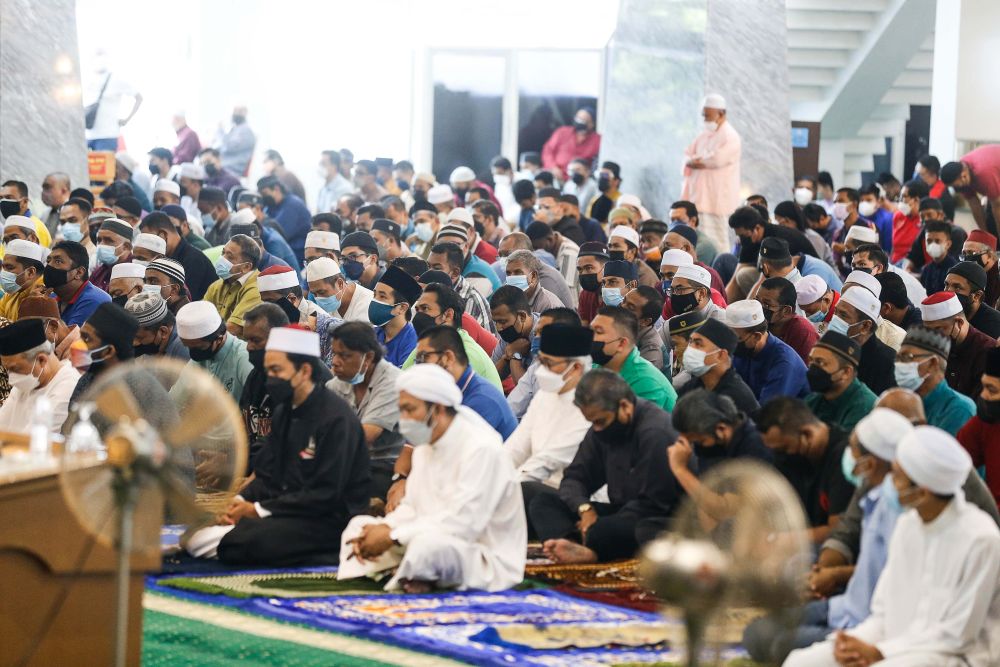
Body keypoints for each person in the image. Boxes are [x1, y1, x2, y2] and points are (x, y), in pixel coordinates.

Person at [784, 426, 1000, 667]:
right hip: (896, 645)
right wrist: (852, 643)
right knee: (801, 662)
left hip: (956, 657)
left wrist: (880, 652)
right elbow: (883, 614)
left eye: (896, 475)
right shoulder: (908, 526)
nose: (889, 482)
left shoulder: (981, 538)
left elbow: (956, 637)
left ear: (922, 491)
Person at [186, 326, 370, 566]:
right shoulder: (284, 411)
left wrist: (258, 510)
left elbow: (326, 494)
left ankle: (332, 554)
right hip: (285, 512)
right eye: (267, 371)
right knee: (197, 535)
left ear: (304, 371)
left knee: (243, 542)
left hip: (327, 520)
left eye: (276, 371)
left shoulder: (336, 419)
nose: (270, 379)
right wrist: (239, 503)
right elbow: (266, 473)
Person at [338, 363, 525, 592]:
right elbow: (412, 507)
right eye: (401, 410)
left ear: (436, 409)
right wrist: (386, 528)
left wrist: (393, 535)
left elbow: (464, 523)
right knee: (359, 527)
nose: (404, 419)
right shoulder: (427, 445)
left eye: (409, 410)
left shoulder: (480, 448)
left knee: (427, 549)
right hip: (422, 534)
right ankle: (404, 573)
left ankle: (404, 572)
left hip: (479, 553)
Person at [744, 408, 911, 664]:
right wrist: (821, 573)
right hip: (846, 605)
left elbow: (893, 578)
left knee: (777, 645)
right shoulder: (871, 488)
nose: (848, 452)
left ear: (871, 462)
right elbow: (845, 532)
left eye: (853, 448)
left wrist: (834, 575)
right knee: (757, 632)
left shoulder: (906, 510)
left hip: (871, 624)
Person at [529, 369, 680, 563]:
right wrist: (584, 509)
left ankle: (589, 545)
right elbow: (575, 477)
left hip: (659, 520)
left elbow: (653, 504)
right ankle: (572, 544)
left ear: (624, 406)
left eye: (600, 421)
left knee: (604, 531)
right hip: (621, 511)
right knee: (543, 501)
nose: (596, 429)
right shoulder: (604, 427)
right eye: (592, 423)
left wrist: (596, 525)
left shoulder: (655, 432)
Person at [507, 324, 594, 517]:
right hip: (532, 486)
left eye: (549, 364)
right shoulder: (545, 395)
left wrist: (502, 487)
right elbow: (516, 448)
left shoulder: (591, 406)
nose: (541, 370)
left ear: (576, 367)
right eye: (540, 361)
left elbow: (546, 463)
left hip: (574, 500)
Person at [756, 397, 855, 543]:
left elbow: (838, 530)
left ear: (807, 434)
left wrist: (780, 540)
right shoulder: (793, 458)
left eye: (784, 449)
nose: (781, 456)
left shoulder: (844, 458)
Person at [667, 390, 772, 524]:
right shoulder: (714, 443)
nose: (696, 447)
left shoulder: (755, 448)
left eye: (700, 441)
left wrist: (680, 470)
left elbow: (724, 511)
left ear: (721, 429)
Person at [325, 322, 403, 499]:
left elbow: (366, 435)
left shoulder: (393, 383)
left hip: (383, 466)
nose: (335, 362)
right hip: (346, 461)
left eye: (344, 356)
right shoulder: (336, 384)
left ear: (368, 358)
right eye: (335, 354)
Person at [402, 283, 503, 388]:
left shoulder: (466, 354)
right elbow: (403, 378)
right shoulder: (427, 346)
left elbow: (439, 395)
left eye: (425, 308)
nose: (419, 316)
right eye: (418, 310)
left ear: (448, 315)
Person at [680, 94, 742, 252]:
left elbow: (717, 159)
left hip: (716, 200)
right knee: (698, 240)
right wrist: (694, 160)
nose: (704, 118)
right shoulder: (703, 136)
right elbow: (687, 154)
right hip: (698, 199)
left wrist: (697, 160)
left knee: (717, 243)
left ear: (720, 114)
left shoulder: (730, 136)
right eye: (703, 115)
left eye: (707, 115)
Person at [0, 318, 80, 434]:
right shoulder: (26, 382)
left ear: (42, 360)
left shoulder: (69, 384)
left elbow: (33, 441)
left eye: (15, 369)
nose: (11, 378)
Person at [591, 306, 677, 410]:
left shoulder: (645, 382)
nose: (589, 336)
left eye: (599, 332)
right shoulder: (600, 364)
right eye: (591, 330)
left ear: (621, 343)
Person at [894, 325, 975, 435]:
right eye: (897, 358)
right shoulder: (898, 400)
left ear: (932, 364)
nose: (899, 364)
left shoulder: (959, 409)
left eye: (907, 357)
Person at [238, 303, 289, 468]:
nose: (249, 347)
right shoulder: (257, 374)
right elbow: (242, 427)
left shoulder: (299, 383)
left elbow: (283, 449)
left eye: (256, 340)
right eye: (247, 340)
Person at [727, 299, 809, 402]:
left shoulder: (784, 363)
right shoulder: (745, 350)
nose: (731, 342)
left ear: (756, 337)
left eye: (736, 338)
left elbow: (768, 412)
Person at [919, 291, 996, 401]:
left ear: (959, 322)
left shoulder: (987, 352)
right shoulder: (933, 348)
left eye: (937, 330)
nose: (932, 338)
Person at [677, 318, 759, 415]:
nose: (690, 348)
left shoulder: (738, 398)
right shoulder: (692, 386)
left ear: (721, 355)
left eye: (698, 344)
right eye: (691, 342)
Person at [176, 301, 252, 402]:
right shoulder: (198, 359)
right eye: (188, 347)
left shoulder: (244, 358)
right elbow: (176, 397)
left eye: (198, 347)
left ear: (219, 339)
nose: (193, 352)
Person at [805, 331, 877, 432]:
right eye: (811, 361)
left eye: (820, 362)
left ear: (846, 372)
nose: (812, 368)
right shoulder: (814, 399)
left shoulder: (864, 407)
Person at [830, 285, 896, 395]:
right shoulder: (833, 346)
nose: (835, 319)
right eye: (835, 312)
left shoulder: (887, 363)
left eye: (843, 315)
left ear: (865, 326)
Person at [70, 302, 140, 403]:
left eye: (86, 339)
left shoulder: (132, 395)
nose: (76, 344)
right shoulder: (90, 376)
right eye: (80, 336)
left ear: (108, 351)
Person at [138, 211, 216, 299]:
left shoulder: (193, 260)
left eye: (148, 241)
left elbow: (185, 300)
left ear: (162, 235)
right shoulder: (167, 258)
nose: (147, 247)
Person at [958, 347, 1000, 505]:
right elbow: (957, 461)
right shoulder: (987, 421)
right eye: (984, 386)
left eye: (992, 390)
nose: (983, 396)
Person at [429, 242, 496, 333]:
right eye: (428, 266)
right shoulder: (431, 290)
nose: (429, 272)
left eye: (437, 268)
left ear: (455, 272)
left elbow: (459, 342)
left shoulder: (469, 300)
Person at [497, 233, 576, 310]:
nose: (503, 259)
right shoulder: (512, 274)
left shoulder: (547, 281)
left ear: (525, 252)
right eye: (500, 255)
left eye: (507, 254)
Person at [204, 234, 261, 337]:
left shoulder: (257, 288)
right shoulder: (217, 285)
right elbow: (201, 314)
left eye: (229, 257)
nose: (222, 259)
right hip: (215, 341)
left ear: (246, 267)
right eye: (223, 253)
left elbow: (234, 328)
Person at [83, 52, 142, 151]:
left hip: (107, 135)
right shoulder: (88, 79)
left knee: (105, 165)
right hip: (88, 134)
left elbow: (139, 97)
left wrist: (127, 119)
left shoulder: (116, 79)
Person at [49, 241, 111, 327]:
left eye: (58, 261)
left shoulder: (95, 300)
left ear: (79, 272)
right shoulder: (51, 297)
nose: (49, 266)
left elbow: (69, 339)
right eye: (48, 261)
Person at [757, 276, 818, 364]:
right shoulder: (758, 322)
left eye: (766, 304)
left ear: (786, 311)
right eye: (757, 301)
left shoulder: (803, 332)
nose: (758, 307)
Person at [941, 145, 1000, 234]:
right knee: (990, 224)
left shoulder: (983, 173)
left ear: (963, 174)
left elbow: (997, 205)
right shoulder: (960, 178)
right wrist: (985, 234)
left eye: (960, 183)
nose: (961, 185)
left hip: (991, 171)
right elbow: (974, 205)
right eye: (957, 186)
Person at [370, 265, 421, 367]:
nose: (374, 301)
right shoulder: (374, 333)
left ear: (402, 308)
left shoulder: (412, 344)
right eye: (374, 295)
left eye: (382, 296)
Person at [489, 284, 537, 388]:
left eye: (502, 321)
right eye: (496, 322)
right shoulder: (511, 333)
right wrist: (507, 357)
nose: (499, 328)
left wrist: (515, 356)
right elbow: (489, 378)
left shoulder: (542, 335)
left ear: (522, 316)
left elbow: (528, 390)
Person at [257, 175, 310, 265]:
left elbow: (276, 233)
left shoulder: (292, 205)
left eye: (265, 194)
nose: (264, 198)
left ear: (276, 189)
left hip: (298, 254)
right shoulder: (272, 206)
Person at [305, 257, 373, 323]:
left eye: (322, 292)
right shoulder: (331, 305)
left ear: (340, 284)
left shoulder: (368, 304)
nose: (318, 298)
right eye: (314, 294)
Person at [541, 106, 600, 181]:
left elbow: (596, 163)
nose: (579, 122)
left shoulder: (597, 140)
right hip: (554, 177)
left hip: (580, 181)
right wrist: (553, 167)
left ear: (591, 124)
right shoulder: (562, 132)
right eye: (578, 118)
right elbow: (547, 151)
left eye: (583, 120)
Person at [124, 292, 189, 361]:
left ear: (163, 332)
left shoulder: (185, 346)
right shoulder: (157, 345)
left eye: (139, 338)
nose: (134, 343)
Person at [526, 221, 579, 303]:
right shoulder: (555, 245)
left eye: (537, 248)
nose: (535, 253)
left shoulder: (569, 254)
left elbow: (569, 292)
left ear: (549, 240)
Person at [945, 260, 1000, 338]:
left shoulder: (995, 326)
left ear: (977, 296)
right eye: (946, 285)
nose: (948, 291)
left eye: (957, 287)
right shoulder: (946, 315)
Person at [504, 249, 562, 314]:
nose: (511, 277)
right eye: (508, 273)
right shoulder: (511, 299)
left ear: (533, 276)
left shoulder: (548, 305)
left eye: (518, 272)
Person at [0, 239, 45, 320]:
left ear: (30, 272)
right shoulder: (11, 294)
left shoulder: (44, 295)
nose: (3, 273)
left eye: (9, 268)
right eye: (3, 268)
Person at [623, 286, 666, 369]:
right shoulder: (625, 329)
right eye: (623, 301)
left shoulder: (651, 349)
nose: (621, 307)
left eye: (630, 308)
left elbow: (635, 378)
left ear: (645, 321)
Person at [89, 217, 133, 292]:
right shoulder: (98, 271)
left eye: (108, 240)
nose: (101, 245)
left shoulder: (133, 274)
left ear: (126, 247)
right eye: (99, 240)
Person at [890, 178, 927, 263]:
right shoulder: (898, 216)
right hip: (894, 263)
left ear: (916, 200)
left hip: (912, 266)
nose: (900, 200)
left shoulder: (925, 220)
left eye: (903, 197)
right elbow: (894, 247)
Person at [961, 229, 1000, 307]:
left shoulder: (998, 275)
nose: (967, 257)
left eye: (971, 253)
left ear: (989, 255)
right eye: (964, 253)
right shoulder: (968, 274)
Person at [918, 220, 958, 293]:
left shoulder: (954, 270)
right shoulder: (926, 270)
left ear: (948, 244)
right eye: (929, 241)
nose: (933, 245)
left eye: (937, 241)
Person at [316, 150, 353, 215]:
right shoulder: (323, 188)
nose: (320, 167)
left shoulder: (345, 188)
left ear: (334, 166)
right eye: (320, 164)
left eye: (323, 164)